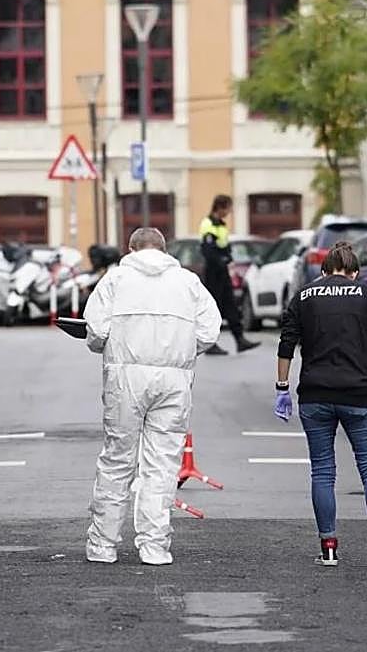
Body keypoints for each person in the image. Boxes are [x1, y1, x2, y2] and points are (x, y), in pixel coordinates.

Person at [83, 227, 221, 566]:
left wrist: (107, 345)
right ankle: (154, 546)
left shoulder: (115, 280)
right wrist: (183, 351)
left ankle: (103, 545)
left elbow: (96, 330)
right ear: (164, 249)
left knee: (117, 460)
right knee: (162, 463)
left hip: (125, 377)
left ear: (130, 248)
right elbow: (208, 330)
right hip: (174, 379)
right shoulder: (188, 282)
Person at [275, 241, 367, 569]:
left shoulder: (304, 295)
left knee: (322, 470)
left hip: (314, 395)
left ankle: (329, 548)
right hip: (359, 394)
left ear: (323, 271)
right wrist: (365, 362)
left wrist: (282, 388)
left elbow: (286, 344)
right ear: (355, 272)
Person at [198, 194, 259, 355]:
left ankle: (239, 339)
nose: (230, 211)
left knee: (230, 304)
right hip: (213, 272)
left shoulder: (221, 225)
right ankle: (210, 344)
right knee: (214, 308)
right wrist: (223, 259)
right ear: (220, 207)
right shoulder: (208, 224)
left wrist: (228, 258)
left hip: (223, 270)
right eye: (228, 208)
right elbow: (208, 251)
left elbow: (224, 246)